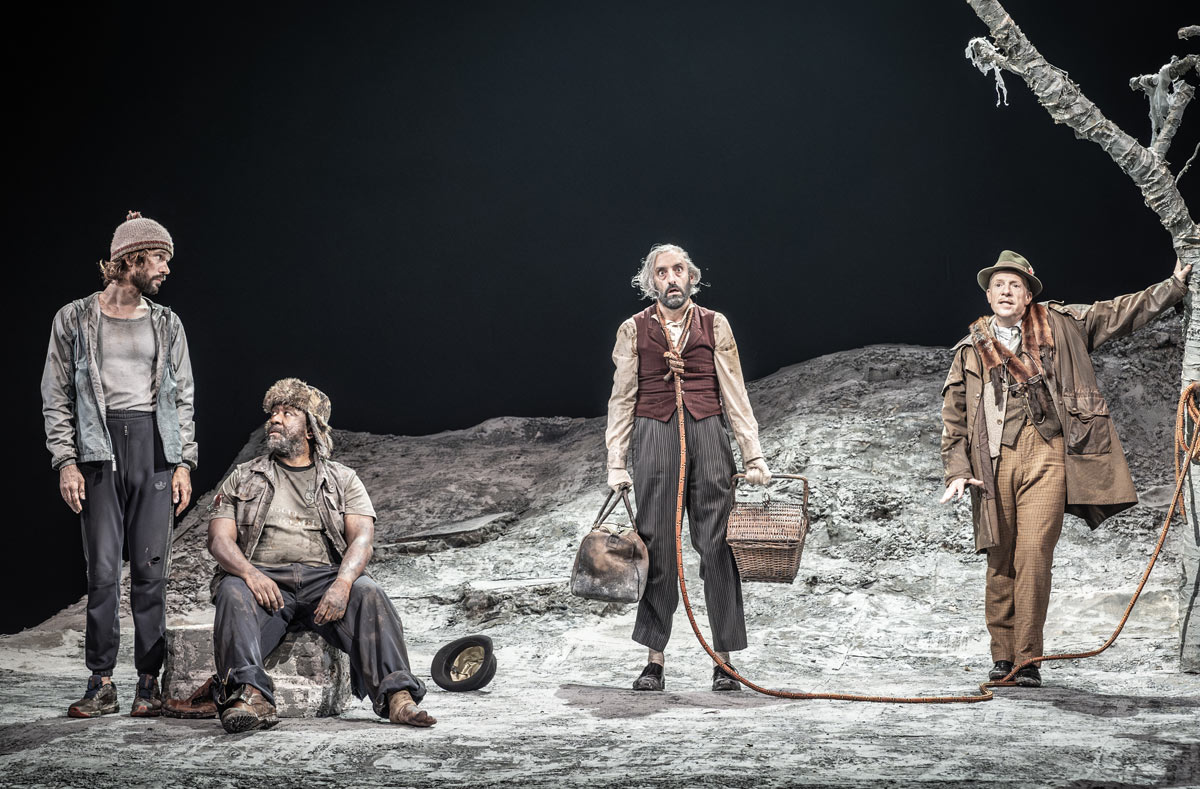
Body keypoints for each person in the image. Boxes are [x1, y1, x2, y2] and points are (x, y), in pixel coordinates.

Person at [940, 250, 1191, 687]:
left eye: (1015, 284)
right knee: (1000, 559)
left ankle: (1027, 659)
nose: (1006, 290)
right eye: (999, 284)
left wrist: (1172, 288)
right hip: (993, 462)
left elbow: (1118, 313)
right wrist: (957, 471)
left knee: (1034, 555)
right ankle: (1002, 658)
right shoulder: (970, 348)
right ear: (987, 293)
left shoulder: (1061, 324)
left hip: (1048, 453)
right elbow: (955, 416)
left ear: (1028, 293)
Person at [206, 378, 435, 732]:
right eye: (273, 413)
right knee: (232, 590)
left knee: (368, 592)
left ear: (311, 428)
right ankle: (249, 695)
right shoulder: (244, 476)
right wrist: (250, 574)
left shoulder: (342, 479)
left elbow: (362, 539)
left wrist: (343, 583)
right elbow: (220, 541)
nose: (275, 420)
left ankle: (398, 698)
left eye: (287, 412)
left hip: (323, 578)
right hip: (266, 581)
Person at [41, 210, 196, 718]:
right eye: (159, 257)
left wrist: (183, 463)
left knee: (152, 573)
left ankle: (147, 685)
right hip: (97, 452)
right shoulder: (74, 319)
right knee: (103, 572)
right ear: (131, 259)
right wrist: (66, 461)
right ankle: (101, 682)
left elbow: (185, 399)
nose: (166, 269)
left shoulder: (167, 323)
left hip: (152, 449)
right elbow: (56, 396)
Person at [605, 243, 772, 692]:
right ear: (651, 281)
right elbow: (622, 399)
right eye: (662, 272)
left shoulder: (715, 324)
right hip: (654, 437)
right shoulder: (632, 329)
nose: (671, 278)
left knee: (718, 547)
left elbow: (734, 391)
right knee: (656, 549)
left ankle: (724, 661)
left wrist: (752, 453)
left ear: (692, 277)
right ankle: (654, 660)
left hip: (708, 434)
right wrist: (616, 464)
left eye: (679, 270)